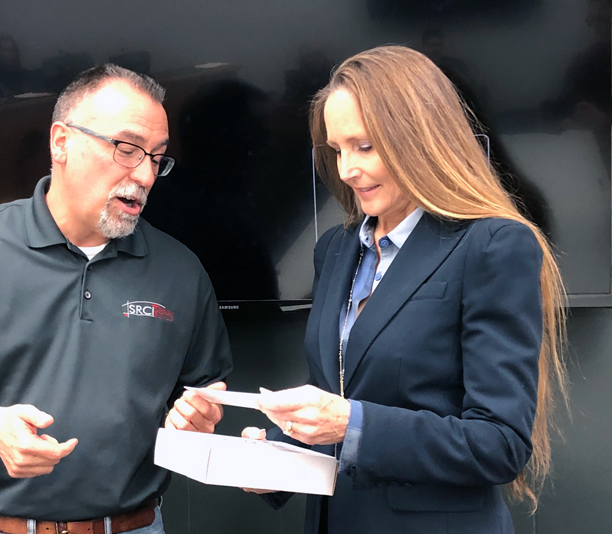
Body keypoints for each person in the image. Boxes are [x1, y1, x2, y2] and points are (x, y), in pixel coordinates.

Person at [0, 64, 233, 534]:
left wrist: (195, 421)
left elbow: (200, 400)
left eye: (157, 157)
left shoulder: (180, 272)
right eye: (127, 149)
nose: (146, 174)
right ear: (61, 142)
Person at [241, 45, 567, 534]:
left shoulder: (492, 245)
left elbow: (499, 445)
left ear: (421, 137)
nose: (347, 169)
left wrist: (348, 422)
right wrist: (275, 456)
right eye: (336, 150)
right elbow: (341, 403)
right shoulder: (334, 248)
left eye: (365, 146)